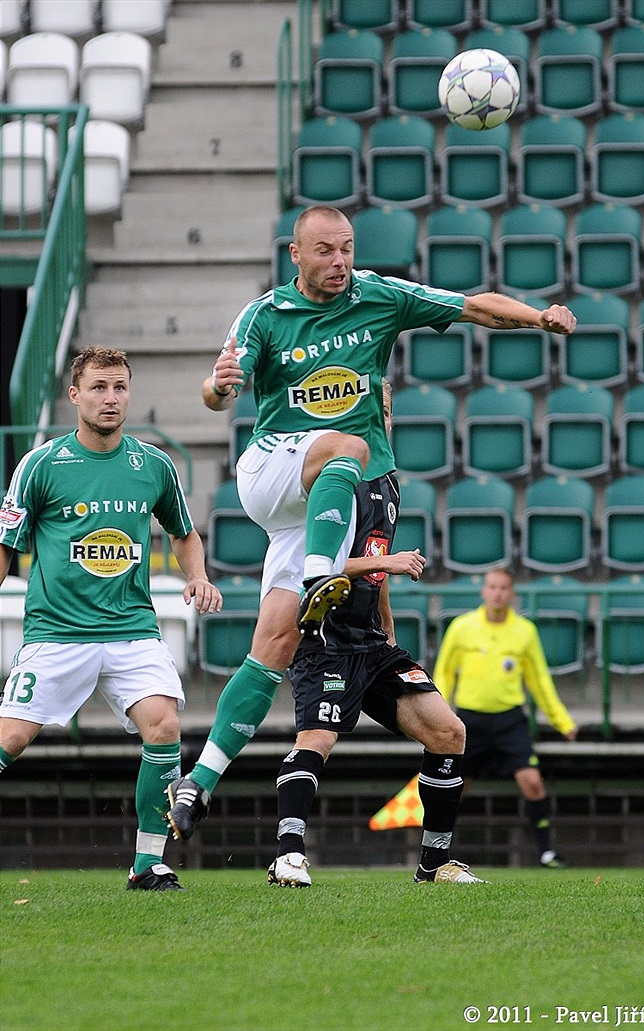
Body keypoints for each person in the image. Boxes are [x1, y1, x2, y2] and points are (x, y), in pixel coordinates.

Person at [166, 203, 577, 837]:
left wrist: (539, 319)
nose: (340, 262)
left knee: (271, 647)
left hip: (322, 505)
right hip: (275, 470)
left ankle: (199, 782)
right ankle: (322, 574)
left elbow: (473, 307)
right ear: (296, 255)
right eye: (325, 251)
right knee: (347, 447)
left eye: (348, 249)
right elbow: (219, 387)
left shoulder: (379, 296)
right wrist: (218, 388)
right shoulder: (266, 314)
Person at [0, 346, 222, 890]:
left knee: (164, 726)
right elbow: (5, 544)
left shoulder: (154, 464)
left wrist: (198, 574)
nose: (110, 398)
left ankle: (148, 864)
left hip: (131, 631)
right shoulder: (41, 464)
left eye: (119, 387)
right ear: (74, 395)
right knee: (11, 739)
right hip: (58, 632)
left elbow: (183, 532)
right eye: (98, 387)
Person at [268, 382, 484, 887]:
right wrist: (386, 561)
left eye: (384, 409)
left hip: (371, 642)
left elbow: (375, 555)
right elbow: (308, 562)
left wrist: (387, 625)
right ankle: (288, 856)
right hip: (325, 640)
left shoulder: (386, 480)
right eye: (370, 406)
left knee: (448, 732)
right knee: (317, 739)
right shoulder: (326, 477)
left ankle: (434, 867)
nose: (379, 417)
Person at [432, 566, 577, 869]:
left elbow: (539, 680)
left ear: (511, 594)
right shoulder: (462, 627)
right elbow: (443, 673)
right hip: (469, 721)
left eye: (503, 588)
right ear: (484, 591)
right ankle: (436, 849)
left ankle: (546, 852)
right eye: (492, 587)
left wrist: (562, 721)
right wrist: (438, 715)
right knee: (453, 787)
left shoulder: (525, 631)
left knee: (533, 782)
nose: (497, 593)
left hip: (509, 721)